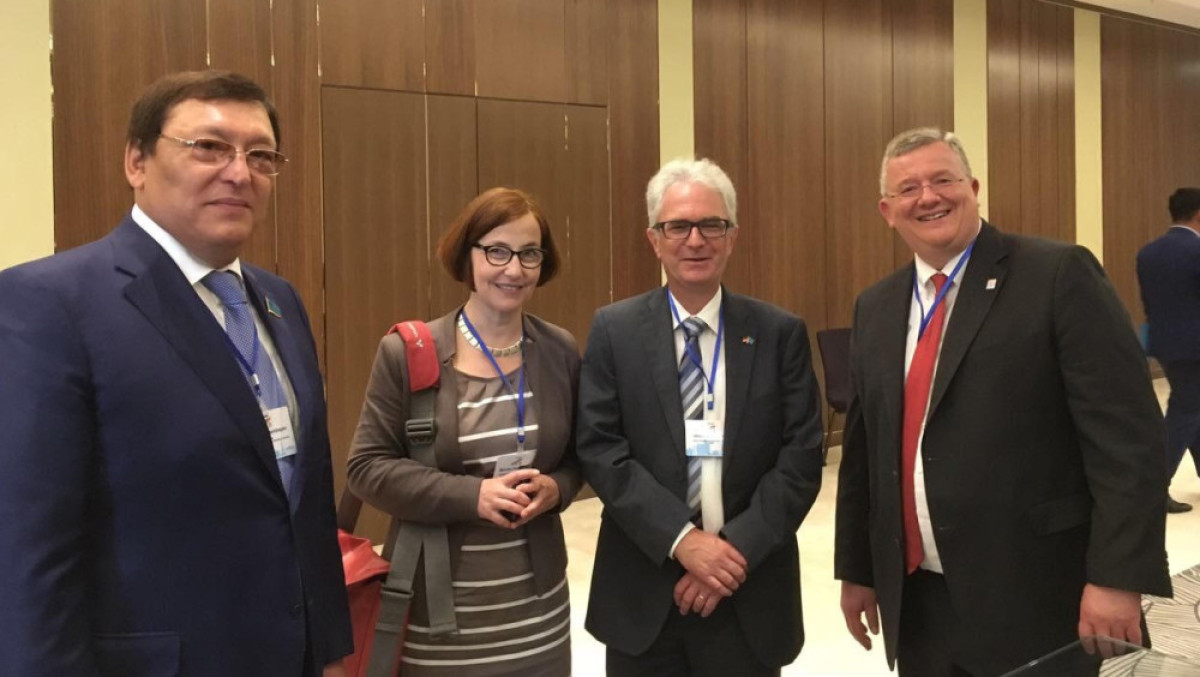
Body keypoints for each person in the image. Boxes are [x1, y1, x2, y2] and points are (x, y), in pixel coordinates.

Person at [0, 71, 351, 676]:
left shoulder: (279, 300)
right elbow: (29, 549)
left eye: (260, 156)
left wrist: (329, 650)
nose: (239, 173)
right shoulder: (50, 303)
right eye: (209, 147)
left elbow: (305, 498)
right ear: (136, 161)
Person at [835, 127, 1172, 676]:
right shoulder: (876, 306)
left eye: (943, 180)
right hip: (920, 600)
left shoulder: (1057, 274)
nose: (928, 197)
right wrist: (859, 568)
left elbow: (1128, 439)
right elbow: (864, 454)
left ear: (973, 188)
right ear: (887, 211)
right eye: (909, 188)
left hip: (1035, 595)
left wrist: (1117, 576)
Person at [576, 158, 824, 676]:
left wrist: (729, 553)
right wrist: (683, 542)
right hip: (644, 590)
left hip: (748, 586)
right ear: (654, 239)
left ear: (732, 237)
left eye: (712, 225)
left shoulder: (778, 333)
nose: (695, 240)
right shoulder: (615, 331)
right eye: (677, 226)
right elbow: (601, 449)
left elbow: (801, 457)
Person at [346, 187, 581, 675]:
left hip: (539, 615)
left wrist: (557, 488)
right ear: (466, 255)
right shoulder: (408, 352)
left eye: (529, 253)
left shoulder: (558, 350)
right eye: (497, 251)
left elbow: (581, 455)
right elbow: (366, 469)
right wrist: (473, 496)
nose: (514, 269)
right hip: (439, 621)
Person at [1137, 187, 1200, 514]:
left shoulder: (1148, 253)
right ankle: (1154, 487)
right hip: (1196, 347)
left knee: (1192, 406)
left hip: (1164, 343)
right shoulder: (1197, 251)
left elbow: (1150, 303)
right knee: (1184, 411)